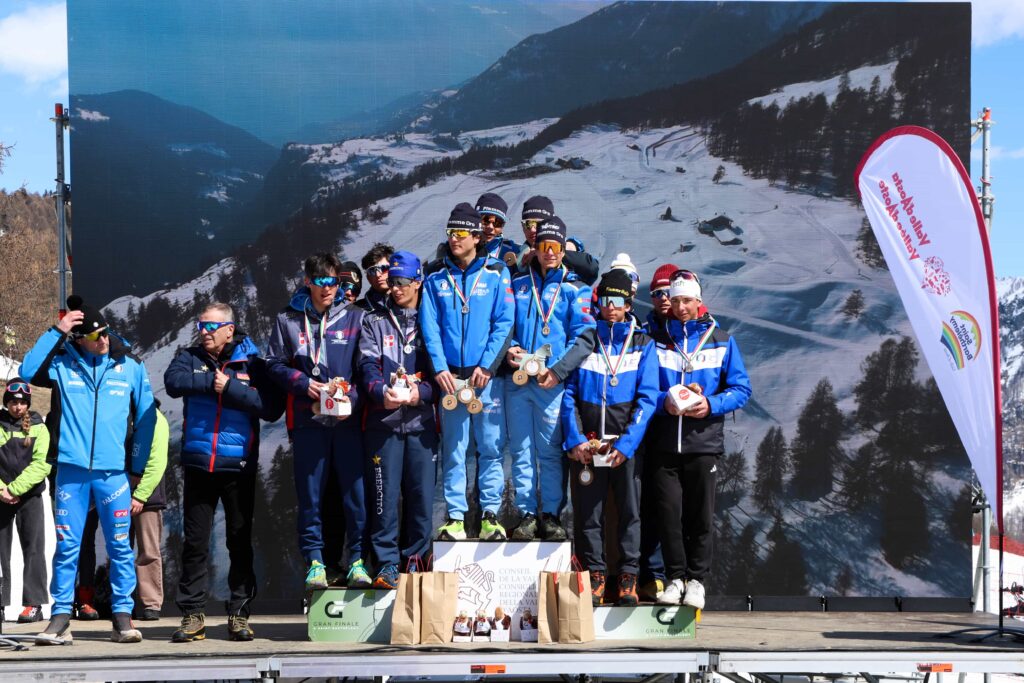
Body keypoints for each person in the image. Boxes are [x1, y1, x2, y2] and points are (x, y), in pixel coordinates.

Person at [21, 295, 156, 644]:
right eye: (96, 336)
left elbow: (146, 420)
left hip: (113, 475)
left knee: (119, 546)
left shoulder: (130, 366)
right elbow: (27, 372)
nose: (105, 340)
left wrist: (136, 467)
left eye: (106, 332)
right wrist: (58, 330)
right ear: (80, 339)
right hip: (72, 472)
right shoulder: (62, 364)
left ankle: (122, 617)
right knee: (68, 545)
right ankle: (60, 616)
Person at [164, 303, 282, 642]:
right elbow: (173, 382)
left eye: (212, 327)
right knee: (195, 544)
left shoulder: (253, 363)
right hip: (199, 464)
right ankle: (192, 615)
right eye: (201, 325)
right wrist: (210, 382)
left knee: (239, 542)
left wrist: (229, 387)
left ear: (230, 330)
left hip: (238, 466)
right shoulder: (189, 357)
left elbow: (271, 407)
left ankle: (239, 615)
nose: (205, 332)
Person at [267, 253, 370, 591]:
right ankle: (315, 562)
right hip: (308, 419)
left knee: (354, 495)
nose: (328, 289)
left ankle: (357, 560)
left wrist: (351, 398)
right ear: (307, 282)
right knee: (310, 496)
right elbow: (273, 363)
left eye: (334, 282)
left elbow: (366, 368)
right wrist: (303, 383)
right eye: (321, 282)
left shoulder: (355, 316)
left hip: (346, 421)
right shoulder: (288, 318)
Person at [649, 270, 751, 609]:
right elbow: (644, 388)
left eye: (687, 301)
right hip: (664, 443)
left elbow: (741, 389)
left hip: (703, 443)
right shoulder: (656, 339)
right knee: (668, 515)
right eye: (675, 300)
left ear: (698, 301)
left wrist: (710, 404)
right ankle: (675, 579)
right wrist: (665, 401)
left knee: (700, 517)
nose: (680, 307)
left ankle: (696, 581)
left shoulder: (721, 340)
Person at [561, 270, 658, 606]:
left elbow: (648, 399)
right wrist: (575, 439)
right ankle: (595, 576)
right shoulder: (587, 340)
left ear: (629, 304)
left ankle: (628, 577)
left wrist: (627, 445)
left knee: (630, 513)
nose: (610, 307)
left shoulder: (643, 344)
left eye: (617, 300)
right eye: (604, 300)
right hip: (589, 447)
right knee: (588, 515)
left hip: (623, 447)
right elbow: (568, 394)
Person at [420, 203, 514, 542]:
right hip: (451, 380)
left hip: (485, 379)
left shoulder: (497, 272)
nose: (454, 238)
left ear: (476, 237)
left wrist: (487, 365)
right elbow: (430, 327)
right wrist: (439, 368)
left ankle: (490, 516)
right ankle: (456, 518)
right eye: (450, 232)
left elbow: (504, 322)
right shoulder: (435, 276)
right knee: (454, 451)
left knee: (490, 448)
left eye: (460, 233)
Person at [506, 216, 596, 541]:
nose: (550, 252)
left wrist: (558, 371)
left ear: (563, 249)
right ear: (535, 246)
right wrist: (510, 348)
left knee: (549, 452)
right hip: (518, 381)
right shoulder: (517, 284)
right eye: (544, 245)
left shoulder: (576, 288)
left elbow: (584, 337)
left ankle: (552, 515)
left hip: (551, 383)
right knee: (521, 451)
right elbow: (504, 325)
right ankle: (527, 514)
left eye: (556, 247)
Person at [358, 251, 438, 589]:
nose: (396, 288)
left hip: (422, 425)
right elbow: (366, 366)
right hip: (384, 424)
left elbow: (443, 372)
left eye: (403, 282)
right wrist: (380, 392)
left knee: (421, 498)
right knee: (384, 499)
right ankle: (387, 565)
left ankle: (416, 560)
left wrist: (422, 393)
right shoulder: (374, 320)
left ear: (418, 281)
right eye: (392, 282)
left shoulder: (431, 319)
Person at [636, 263, 680, 601]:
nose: (663, 299)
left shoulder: (698, 330)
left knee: (679, 510)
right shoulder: (644, 330)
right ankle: (652, 576)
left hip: (686, 433)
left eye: (668, 292)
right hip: (650, 430)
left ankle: (682, 576)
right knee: (648, 505)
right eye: (656, 294)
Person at [0, 379, 51, 623]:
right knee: (0, 552)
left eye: (22, 403)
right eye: (13, 402)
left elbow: (42, 464)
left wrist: (15, 489)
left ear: (28, 404)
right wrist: (2, 490)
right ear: (6, 403)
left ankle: (33, 605)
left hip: (29, 497)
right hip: (1, 496)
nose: (17, 407)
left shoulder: (39, 427)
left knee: (34, 549)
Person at [129, 401, 169, 623]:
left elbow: (157, 462)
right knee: (120, 551)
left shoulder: (156, 419)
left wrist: (140, 495)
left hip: (148, 497)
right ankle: (122, 602)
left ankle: (150, 604)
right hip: (119, 493)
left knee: (148, 551)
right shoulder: (120, 413)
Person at [515, 196, 599, 285]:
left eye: (538, 223)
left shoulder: (569, 249)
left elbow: (592, 269)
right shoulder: (518, 253)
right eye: (527, 224)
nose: (532, 229)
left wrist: (555, 252)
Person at [356, 243, 395, 314]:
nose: (378, 274)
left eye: (384, 268)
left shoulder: (414, 299)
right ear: (368, 278)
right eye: (372, 271)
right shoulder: (356, 311)